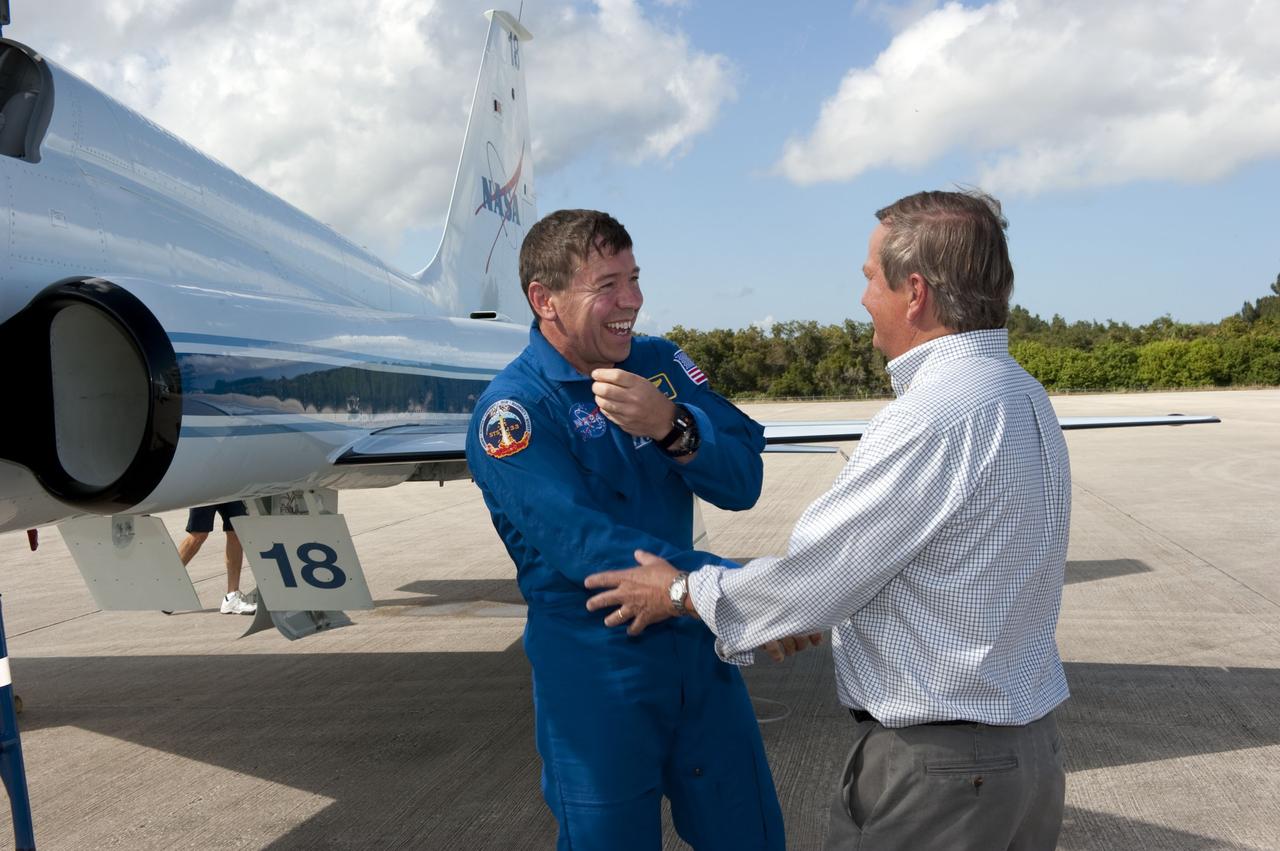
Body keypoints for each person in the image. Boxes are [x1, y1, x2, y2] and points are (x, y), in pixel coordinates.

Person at [586, 190, 1071, 850]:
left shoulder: (929, 417)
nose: (865, 297)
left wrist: (676, 593)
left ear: (916, 292)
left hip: (946, 778)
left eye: (871, 278)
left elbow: (818, 579)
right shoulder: (1018, 391)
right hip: (1024, 760)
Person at [464, 209, 787, 850]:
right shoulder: (513, 412)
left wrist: (673, 426)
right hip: (596, 669)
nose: (632, 302)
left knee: (748, 834)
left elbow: (743, 477)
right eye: (607, 285)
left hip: (698, 652)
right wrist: (743, 590)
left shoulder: (659, 365)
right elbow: (583, 544)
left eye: (635, 279)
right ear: (544, 300)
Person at [177, 502, 257, 615]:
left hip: (231, 488)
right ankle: (165, 584)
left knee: (236, 530)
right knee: (199, 534)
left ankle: (232, 597)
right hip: (204, 487)